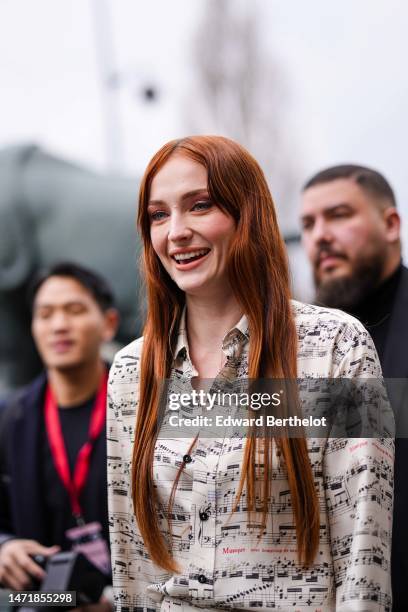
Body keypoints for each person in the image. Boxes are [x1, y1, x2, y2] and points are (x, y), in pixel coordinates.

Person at [108, 137, 393, 611]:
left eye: (199, 206)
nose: (175, 231)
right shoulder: (131, 372)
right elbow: (131, 566)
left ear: (249, 214)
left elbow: (363, 560)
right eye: (158, 215)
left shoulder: (335, 346)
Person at [300, 164, 407, 609]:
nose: (320, 235)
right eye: (308, 224)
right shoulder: (304, 345)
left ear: (390, 224)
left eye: (339, 215)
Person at [0, 262, 118, 610]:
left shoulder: (142, 409)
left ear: (109, 324)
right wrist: (4, 547)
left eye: (75, 310)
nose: (59, 325)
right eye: (46, 314)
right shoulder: (10, 418)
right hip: (43, 601)